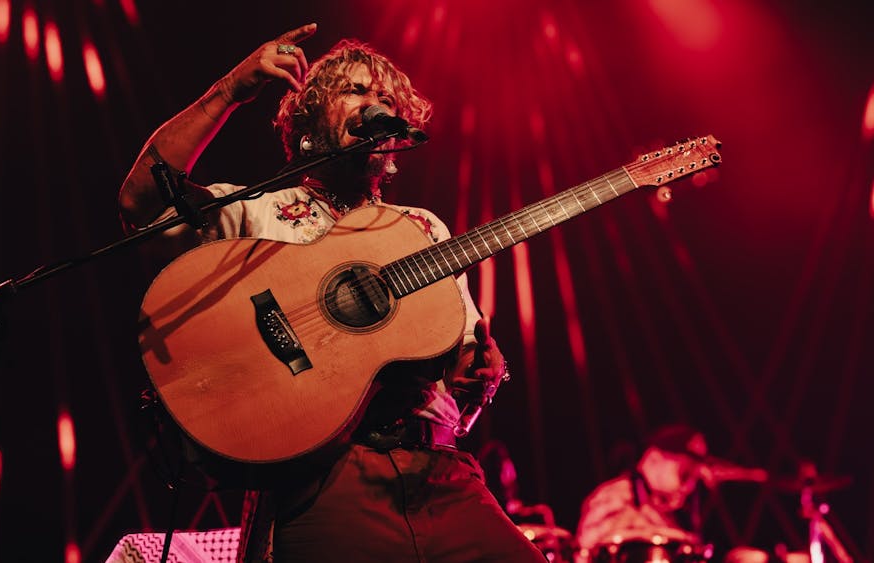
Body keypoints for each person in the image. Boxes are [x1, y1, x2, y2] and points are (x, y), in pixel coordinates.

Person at [118, 23, 545, 563]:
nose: (374, 103)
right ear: (309, 120)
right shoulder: (258, 212)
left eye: (386, 99)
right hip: (325, 475)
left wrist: (478, 374)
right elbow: (141, 205)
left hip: (440, 472)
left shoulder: (421, 228)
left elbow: (458, 370)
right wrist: (228, 92)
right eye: (356, 91)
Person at [574, 424, 710, 563]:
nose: (690, 486)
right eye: (685, 474)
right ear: (654, 459)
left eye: (696, 477)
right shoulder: (614, 496)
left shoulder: (666, 512)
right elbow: (586, 552)